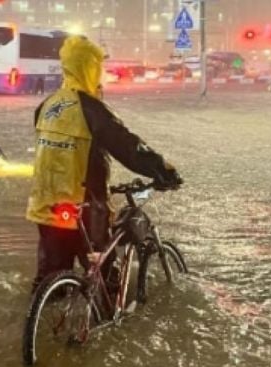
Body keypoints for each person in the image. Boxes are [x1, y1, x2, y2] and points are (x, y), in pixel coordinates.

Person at [26, 36, 183, 292]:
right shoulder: (91, 109)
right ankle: (106, 325)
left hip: (47, 206)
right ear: (88, 68)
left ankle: (40, 325)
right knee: (104, 275)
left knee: (49, 278)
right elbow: (128, 147)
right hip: (85, 207)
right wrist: (162, 169)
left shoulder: (46, 106)